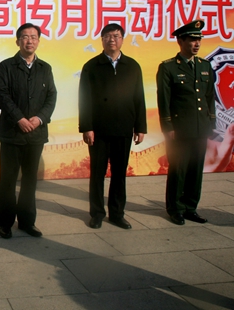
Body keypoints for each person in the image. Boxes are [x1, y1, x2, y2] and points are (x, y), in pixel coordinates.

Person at [79, 23, 146, 230]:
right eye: (107, 36)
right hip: (99, 130)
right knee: (97, 174)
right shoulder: (92, 66)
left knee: (119, 174)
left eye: (116, 36)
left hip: (124, 128)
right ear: (102, 40)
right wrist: (86, 127)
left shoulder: (132, 66)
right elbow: (84, 99)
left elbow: (139, 98)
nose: (112, 40)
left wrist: (140, 127)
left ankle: (117, 214)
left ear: (122, 39)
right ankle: (97, 213)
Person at [0, 23, 57, 239]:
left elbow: (51, 97)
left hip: (36, 134)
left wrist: (39, 119)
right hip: (12, 133)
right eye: (25, 37)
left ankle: (27, 221)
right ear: (18, 41)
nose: (29, 40)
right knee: (8, 180)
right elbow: (2, 95)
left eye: (33, 37)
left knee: (30, 180)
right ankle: (5, 223)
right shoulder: (6, 66)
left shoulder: (45, 68)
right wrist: (19, 119)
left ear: (38, 41)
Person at [157, 20, 215, 225]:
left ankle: (191, 207)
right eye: (192, 39)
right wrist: (168, 126)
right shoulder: (168, 67)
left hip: (200, 128)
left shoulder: (205, 66)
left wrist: (211, 123)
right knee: (179, 169)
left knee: (195, 169)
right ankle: (175, 209)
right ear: (180, 41)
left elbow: (209, 97)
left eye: (199, 39)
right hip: (180, 129)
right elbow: (164, 100)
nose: (197, 44)